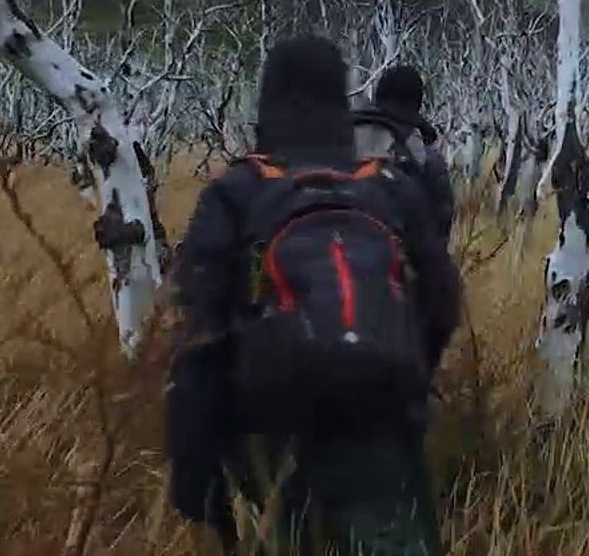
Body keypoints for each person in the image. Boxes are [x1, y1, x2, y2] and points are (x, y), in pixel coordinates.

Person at [166, 34, 462, 555]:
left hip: (268, 423)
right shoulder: (390, 184)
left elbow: (199, 340)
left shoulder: (237, 190)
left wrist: (194, 470)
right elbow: (442, 301)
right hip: (383, 413)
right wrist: (408, 377)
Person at [353, 64, 456, 249]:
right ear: (418, 102)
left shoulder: (344, 141)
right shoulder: (426, 160)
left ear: (378, 97)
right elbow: (438, 239)